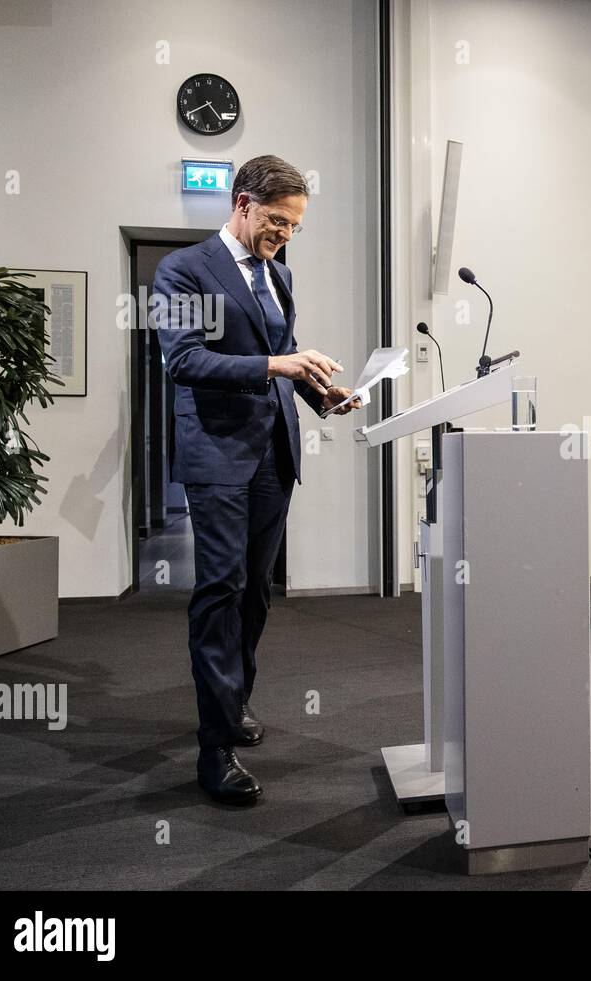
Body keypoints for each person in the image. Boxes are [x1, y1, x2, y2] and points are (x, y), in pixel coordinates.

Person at [154, 155, 356, 804]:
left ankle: (233, 700)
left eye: (296, 226)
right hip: (217, 457)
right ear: (241, 203)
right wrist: (279, 361)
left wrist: (323, 396)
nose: (285, 235)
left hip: (273, 455)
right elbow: (186, 361)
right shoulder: (184, 270)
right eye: (276, 221)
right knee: (220, 588)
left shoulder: (280, 275)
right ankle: (214, 749)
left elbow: (286, 368)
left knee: (255, 595)